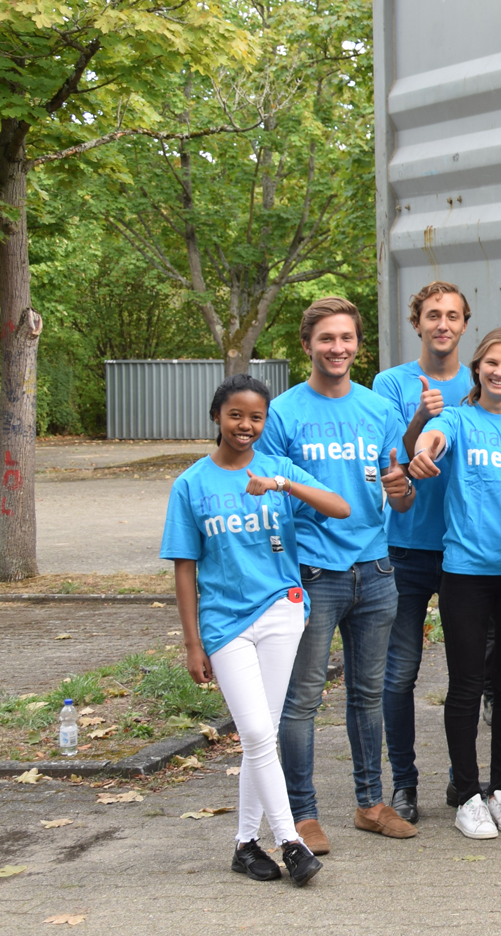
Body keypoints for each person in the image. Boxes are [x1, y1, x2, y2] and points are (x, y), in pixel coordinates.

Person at [162, 374, 349, 886]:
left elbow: (341, 508)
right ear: (216, 417)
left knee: (258, 735)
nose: (246, 425)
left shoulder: (277, 469)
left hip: (281, 611)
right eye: (236, 415)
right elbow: (183, 567)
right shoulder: (192, 484)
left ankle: (246, 845)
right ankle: (290, 841)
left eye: (256, 417)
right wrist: (192, 642)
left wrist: (284, 484)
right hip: (224, 624)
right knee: (258, 733)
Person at [258, 297, 419, 853]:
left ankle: (371, 804)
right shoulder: (280, 414)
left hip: (375, 570)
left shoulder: (379, 411)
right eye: (326, 338)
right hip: (311, 574)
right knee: (301, 698)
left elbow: (398, 496)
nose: (338, 348)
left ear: (358, 345)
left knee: (367, 694)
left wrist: (402, 488)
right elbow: (266, 498)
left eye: (346, 338)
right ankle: (302, 816)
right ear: (307, 345)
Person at [405, 328, 501, 840]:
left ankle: (499, 789)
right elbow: (434, 438)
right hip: (467, 573)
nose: (500, 372)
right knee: (467, 685)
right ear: (478, 368)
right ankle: (467, 794)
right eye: (491, 363)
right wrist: (425, 448)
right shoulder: (457, 418)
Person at [371, 282, 475, 827]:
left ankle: (465, 779)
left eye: (452, 316)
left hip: (462, 551)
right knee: (399, 675)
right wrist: (419, 416)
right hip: (406, 546)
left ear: (463, 325)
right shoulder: (389, 383)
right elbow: (393, 456)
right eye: (432, 315)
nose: (442, 324)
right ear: (417, 323)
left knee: (465, 674)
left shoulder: (477, 384)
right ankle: (404, 785)